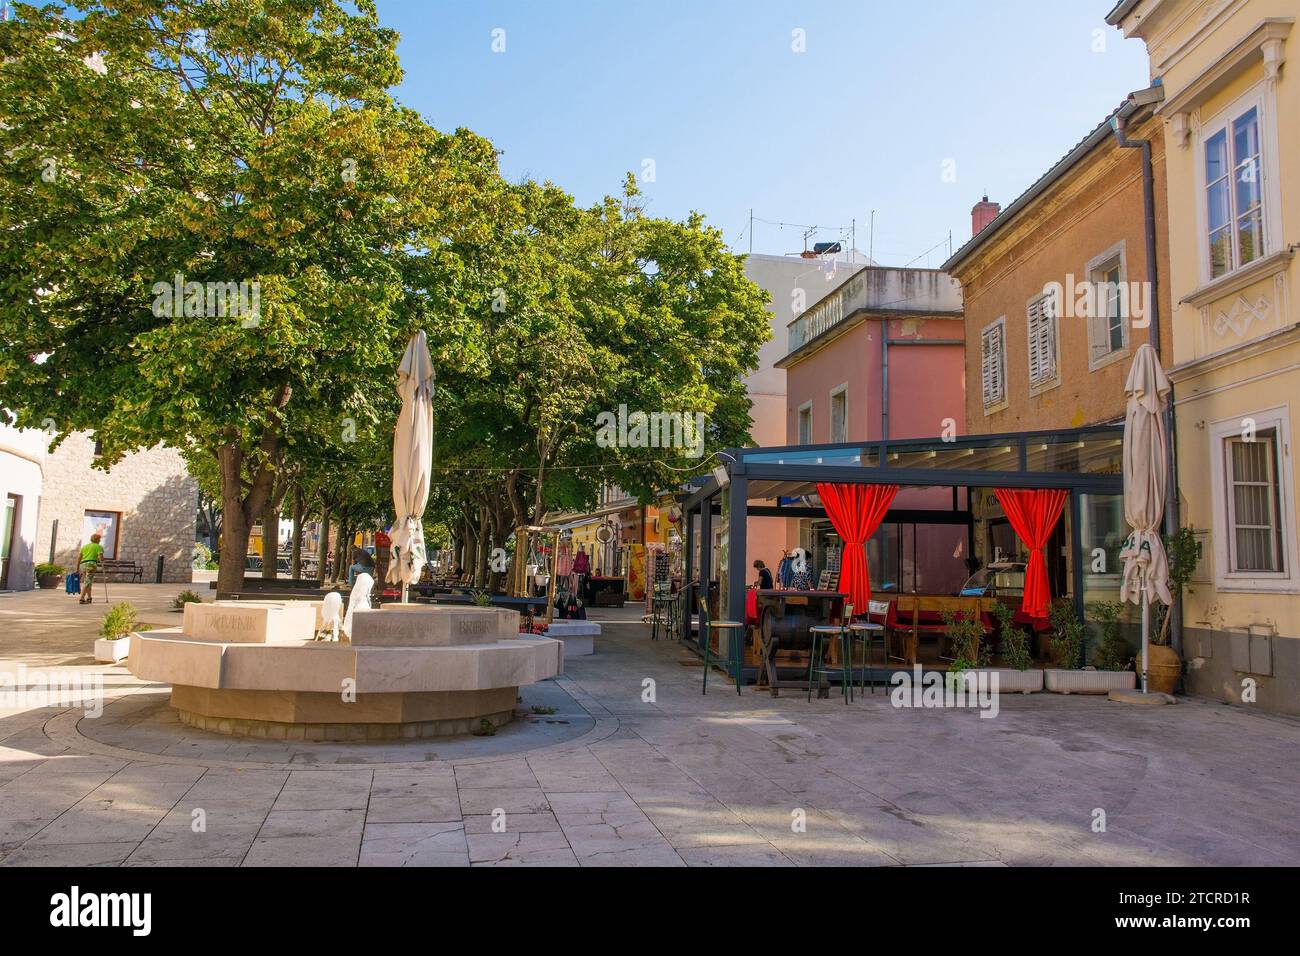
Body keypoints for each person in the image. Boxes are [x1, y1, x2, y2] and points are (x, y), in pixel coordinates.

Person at [78, 533, 105, 605]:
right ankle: (82, 598)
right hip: (91, 565)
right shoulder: (98, 547)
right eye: (99, 539)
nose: (100, 540)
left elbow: (79, 558)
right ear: (97, 540)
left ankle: (89, 598)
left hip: (83, 565)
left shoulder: (85, 546)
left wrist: (77, 568)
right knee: (87, 582)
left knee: (88, 581)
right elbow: (101, 558)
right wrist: (102, 560)